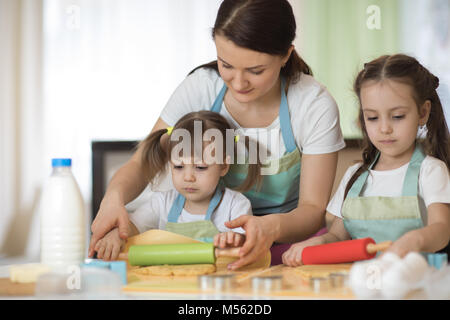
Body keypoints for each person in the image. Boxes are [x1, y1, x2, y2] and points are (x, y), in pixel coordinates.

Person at [89, 0, 345, 269]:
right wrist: (113, 199)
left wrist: (268, 227)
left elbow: (312, 210)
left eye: (255, 71)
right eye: (226, 65)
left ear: (285, 55)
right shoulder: (201, 87)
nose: (238, 82)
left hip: (287, 251)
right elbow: (142, 164)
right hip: (208, 252)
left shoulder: (312, 104)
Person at [282, 54, 450, 267]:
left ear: (423, 112)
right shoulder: (355, 176)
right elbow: (337, 237)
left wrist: (415, 240)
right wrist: (317, 242)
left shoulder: (431, 171)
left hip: (416, 283)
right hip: (362, 283)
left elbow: (442, 229)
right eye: (372, 117)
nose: (384, 128)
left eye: (397, 116)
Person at [94, 111, 262, 261]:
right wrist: (116, 234)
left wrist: (235, 240)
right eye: (179, 167)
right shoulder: (161, 203)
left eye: (200, 167)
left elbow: (247, 244)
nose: (188, 177)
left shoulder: (235, 205)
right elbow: (132, 226)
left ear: (223, 166)